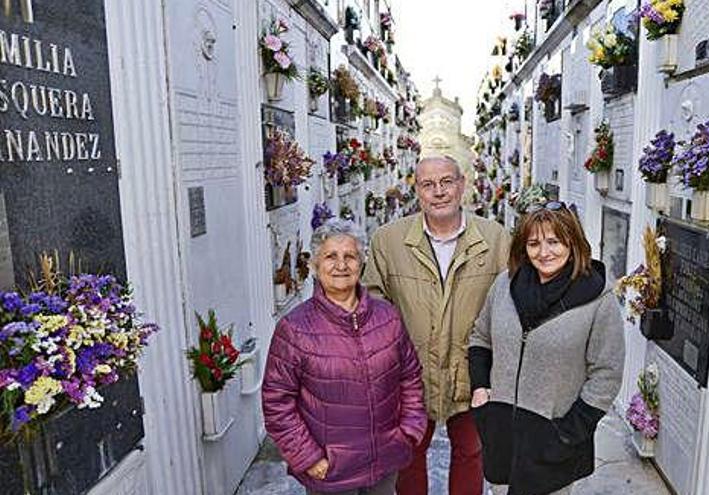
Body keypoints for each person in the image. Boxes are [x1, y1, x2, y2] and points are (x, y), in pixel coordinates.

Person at [362, 156, 510, 495]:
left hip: (473, 373)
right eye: (428, 185)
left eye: (446, 181)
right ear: (417, 190)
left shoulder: (496, 238)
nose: (439, 192)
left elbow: (510, 303)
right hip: (410, 374)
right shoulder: (388, 241)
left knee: (471, 452)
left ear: (462, 184)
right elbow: (373, 304)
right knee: (409, 454)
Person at [468, 203, 625, 495]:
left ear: (573, 242)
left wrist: (568, 432)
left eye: (554, 241)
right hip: (502, 434)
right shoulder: (505, 285)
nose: (544, 252)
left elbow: (607, 373)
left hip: (554, 442)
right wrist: (480, 390)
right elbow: (481, 337)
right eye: (534, 243)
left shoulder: (597, 298)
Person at [262, 220, 427, 495]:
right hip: (331, 472)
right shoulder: (294, 328)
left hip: (384, 464)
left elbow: (410, 375)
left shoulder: (387, 316)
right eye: (330, 256)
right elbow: (277, 402)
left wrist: (409, 429)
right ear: (315, 264)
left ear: (361, 263)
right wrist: (309, 457)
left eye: (350, 256)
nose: (341, 265)